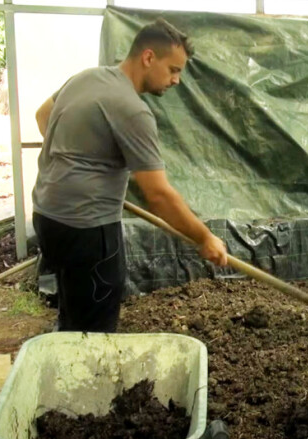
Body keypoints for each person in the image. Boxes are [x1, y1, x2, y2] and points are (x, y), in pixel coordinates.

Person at [32, 18, 228, 333]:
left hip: (48, 219)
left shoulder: (85, 78)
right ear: (148, 57)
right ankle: (85, 363)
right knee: (94, 329)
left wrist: (76, 164)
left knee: (73, 309)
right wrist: (204, 237)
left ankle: (64, 349)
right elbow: (158, 195)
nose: (177, 80)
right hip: (88, 231)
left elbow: (43, 116)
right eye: (173, 69)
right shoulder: (131, 109)